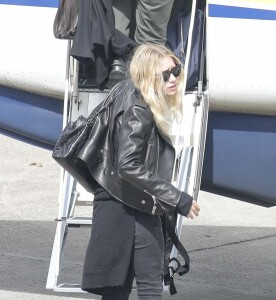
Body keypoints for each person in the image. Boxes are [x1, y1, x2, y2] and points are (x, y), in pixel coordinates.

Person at [81, 43, 200, 300]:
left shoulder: (130, 95)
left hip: (128, 201)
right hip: (126, 205)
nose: (173, 79)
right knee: (142, 286)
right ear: (148, 77)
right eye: (165, 74)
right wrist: (176, 197)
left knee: (127, 286)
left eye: (175, 70)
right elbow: (127, 164)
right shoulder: (140, 109)